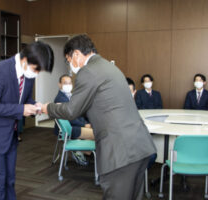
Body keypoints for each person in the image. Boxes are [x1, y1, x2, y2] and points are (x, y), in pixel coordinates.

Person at [42, 34, 156, 200]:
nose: (71, 66)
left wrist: (47, 108)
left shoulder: (88, 71)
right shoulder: (109, 67)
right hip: (139, 146)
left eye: (68, 60)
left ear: (76, 54)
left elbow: (71, 111)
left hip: (121, 152)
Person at [0, 41, 54, 200]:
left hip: (10, 135)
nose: (37, 74)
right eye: (36, 69)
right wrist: (21, 110)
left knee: (9, 180)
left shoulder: (28, 75)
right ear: (25, 61)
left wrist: (34, 106)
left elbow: (24, 99)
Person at [54, 74, 94, 165]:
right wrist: (85, 125)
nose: (68, 85)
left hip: (75, 125)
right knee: (98, 134)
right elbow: (69, 118)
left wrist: (87, 122)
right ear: (59, 84)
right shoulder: (60, 99)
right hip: (70, 129)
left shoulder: (70, 96)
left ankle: (80, 149)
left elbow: (78, 114)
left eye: (69, 83)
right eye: (65, 83)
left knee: (97, 131)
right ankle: (77, 149)